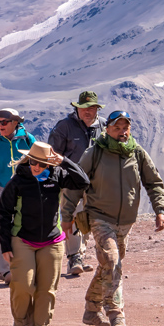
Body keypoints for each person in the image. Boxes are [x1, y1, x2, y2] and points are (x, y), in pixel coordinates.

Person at [60, 110, 164, 326]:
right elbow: (74, 185)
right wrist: (67, 215)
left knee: (108, 266)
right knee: (112, 260)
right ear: (107, 128)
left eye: (125, 128)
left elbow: (154, 182)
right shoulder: (95, 153)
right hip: (99, 217)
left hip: (125, 222)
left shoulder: (137, 152)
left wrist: (160, 210)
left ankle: (91, 308)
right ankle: (116, 314)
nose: (122, 132)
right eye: (117, 128)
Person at [0, 142, 89, 326]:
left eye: (41, 163)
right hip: (22, 240)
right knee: (23, 285)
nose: (36, 167)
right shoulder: (18, 181)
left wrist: (64, 162)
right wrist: (5, 245)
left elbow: (83, 182)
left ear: (49, 163)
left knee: (47, 290)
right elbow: (4, 214)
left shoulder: (57, 175)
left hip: (53, 241)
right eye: (33, 162)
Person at [48, 90, 105, 277]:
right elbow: (53, 154)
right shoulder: (65, 127)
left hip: (96, 182)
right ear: (77, 108)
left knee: (86, 218)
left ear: (97, 109)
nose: (87, 112)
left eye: (91, 108)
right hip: (70, 181)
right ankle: (74, 258)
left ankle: (80, 255)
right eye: (83, 108)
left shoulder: (104, 127)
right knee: (71, 215)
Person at [0, 108, 36, 283]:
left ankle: (22, 266)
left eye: (4, 122)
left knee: (24, 225)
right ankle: (4, 271)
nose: (0, 125)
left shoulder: (27, 139)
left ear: (15, 123)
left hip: (24, 188)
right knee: (1, 227)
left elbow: (38, 161)